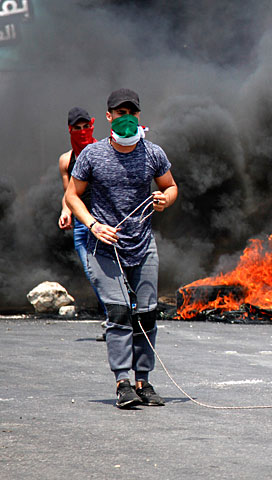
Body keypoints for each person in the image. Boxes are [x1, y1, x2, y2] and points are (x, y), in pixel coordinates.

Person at [65, 88, 178, 408]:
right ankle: (122, 382)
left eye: (131, 112)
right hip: (104, 248)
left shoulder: (153, 153)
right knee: (118, 311)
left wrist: (164, 200)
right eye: (119, 112)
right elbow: (73, 195)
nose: (125, 117)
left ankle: (143, 381)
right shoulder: (92, 155)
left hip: (142, 245)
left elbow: (170, 187)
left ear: (138, 116)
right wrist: (93, 225)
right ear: (109, 116)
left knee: (146, 313)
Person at [58, 107, 108, 339]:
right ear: (70, 129)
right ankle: (113, 318)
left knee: (108, 272)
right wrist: (65, 211)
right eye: (76, 128)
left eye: (85, 127)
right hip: (81, 224)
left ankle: (116, 321)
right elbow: (70, 193)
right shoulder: (66, 160)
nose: (81, 131)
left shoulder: (104, 151)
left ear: (92, 125)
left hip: (104, 222)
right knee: (92, 273)